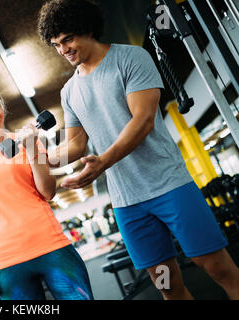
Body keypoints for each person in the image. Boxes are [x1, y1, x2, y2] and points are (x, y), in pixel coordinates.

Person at [37, 0, 239, 300]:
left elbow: (142, 121)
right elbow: (76, 145)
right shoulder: (69, 92)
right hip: (128, 205)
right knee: (167, 284)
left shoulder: (131, 58)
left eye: (68, 39)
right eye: (56, 44)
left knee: (215, 266)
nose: (63, 49)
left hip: (170, 185)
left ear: (87, 30)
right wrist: (36, 157)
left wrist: (103, 161)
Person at [0, 82, 93, 300]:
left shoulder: (27, 141)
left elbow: (48, 192)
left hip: (51, 246)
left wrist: (31, 148)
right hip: (7, 261)